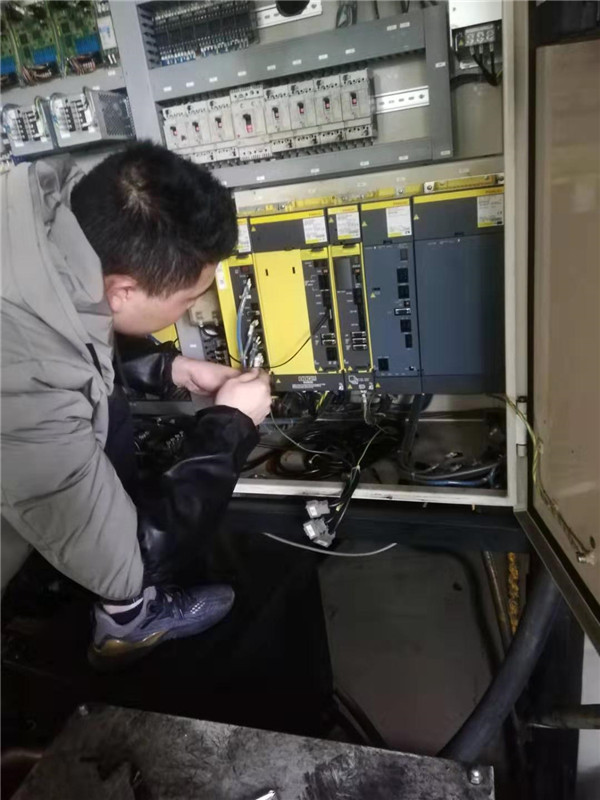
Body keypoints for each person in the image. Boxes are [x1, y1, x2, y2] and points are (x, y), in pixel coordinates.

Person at [0, 141, 272, 667]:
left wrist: (168, 369)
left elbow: (69, 324)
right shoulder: (24, 380)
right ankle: (126, 626)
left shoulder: (44, 208)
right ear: (123, 289)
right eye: (189, 298)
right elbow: (128, 561)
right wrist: (233, 425)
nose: (194, 306)